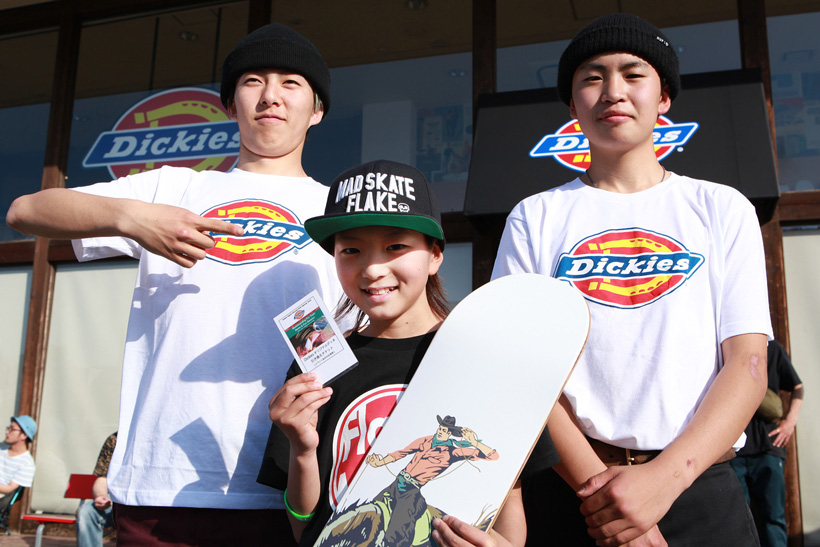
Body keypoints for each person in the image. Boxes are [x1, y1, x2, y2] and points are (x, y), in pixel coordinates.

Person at [7, 23, 343, 546]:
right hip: (160, 483)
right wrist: (131, 218)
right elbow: (25, 211)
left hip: (288, 484)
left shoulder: (339, 210)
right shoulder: (174, 186)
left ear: (316, 110)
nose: (271, 96)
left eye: (291, 83)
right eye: (253, 81)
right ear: (230, 104)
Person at [492, 13, 772, 547]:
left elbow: (748, 363)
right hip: (574, 493)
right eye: (592, 78)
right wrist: (602, 496)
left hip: (699, 485)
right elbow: (522, 372)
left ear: (663, 97)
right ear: (572, 105)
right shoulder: (535, 217)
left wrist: (662, 482)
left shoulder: (721, 207)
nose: (613, 91)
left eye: (633, 74)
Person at [258, 159, 559, 547]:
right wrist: (302, 449)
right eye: (351, 250)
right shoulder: (318, 368)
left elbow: (506, 508)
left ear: (435, 255)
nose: (372, 269)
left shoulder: (489, 360)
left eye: (395, 246)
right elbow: (305, 527)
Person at [364, 415, 500, 545]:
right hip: (396, 483)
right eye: (440, 428)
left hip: (411, 490)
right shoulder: (425, 440)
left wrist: (474, 443)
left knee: (398, 532)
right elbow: (401, 452)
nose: (440, 432)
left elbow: (493, 456)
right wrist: (380, 462)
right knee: (368, 513)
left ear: (449, 433)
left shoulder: (452, 452)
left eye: (444, 430)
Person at [730, 341, 803, 547]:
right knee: (738, 521)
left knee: (773, 517)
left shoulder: (772, 349)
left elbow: (798, 387)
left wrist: (790, 422)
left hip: (768, 447)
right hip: (734, 451)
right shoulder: (728, 348)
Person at [76, 432, 117, 547]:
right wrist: (101, 496)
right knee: (88, 512)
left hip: (155, 504)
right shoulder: (115, 439)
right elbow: (102, 478)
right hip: (118, 501)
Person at [0, 416, 37, 501]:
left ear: (24, 435)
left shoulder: (27, 463)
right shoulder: (2, 447)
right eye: (8, 428)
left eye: (12, 429)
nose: (7, 432)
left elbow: (9, 488)